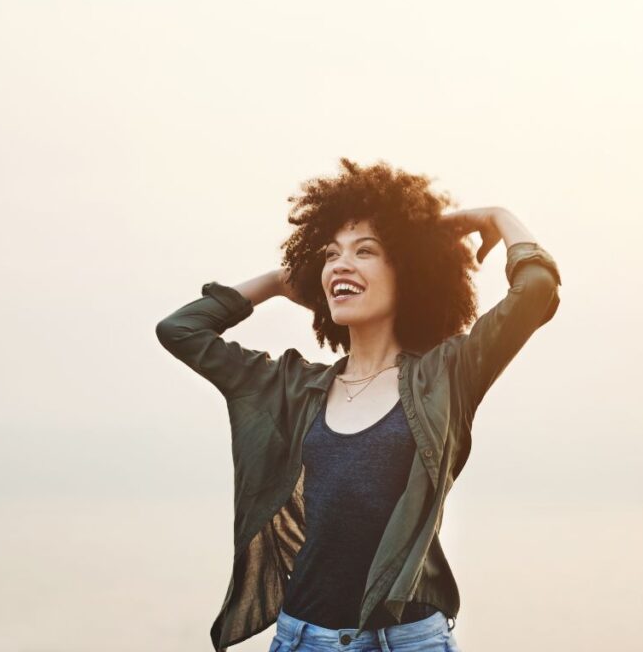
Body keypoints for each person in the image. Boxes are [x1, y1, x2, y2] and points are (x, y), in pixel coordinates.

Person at [155, 158, 563, 651]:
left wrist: (496, 216)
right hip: (303, 638)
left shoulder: (446, 376)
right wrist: (282, 281)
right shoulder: (289, 386)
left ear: (407, 274)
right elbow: (181, 330)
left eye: (365, 251)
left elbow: (536, 290)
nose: (341, 264)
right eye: (330, 255)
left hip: (408, 642)